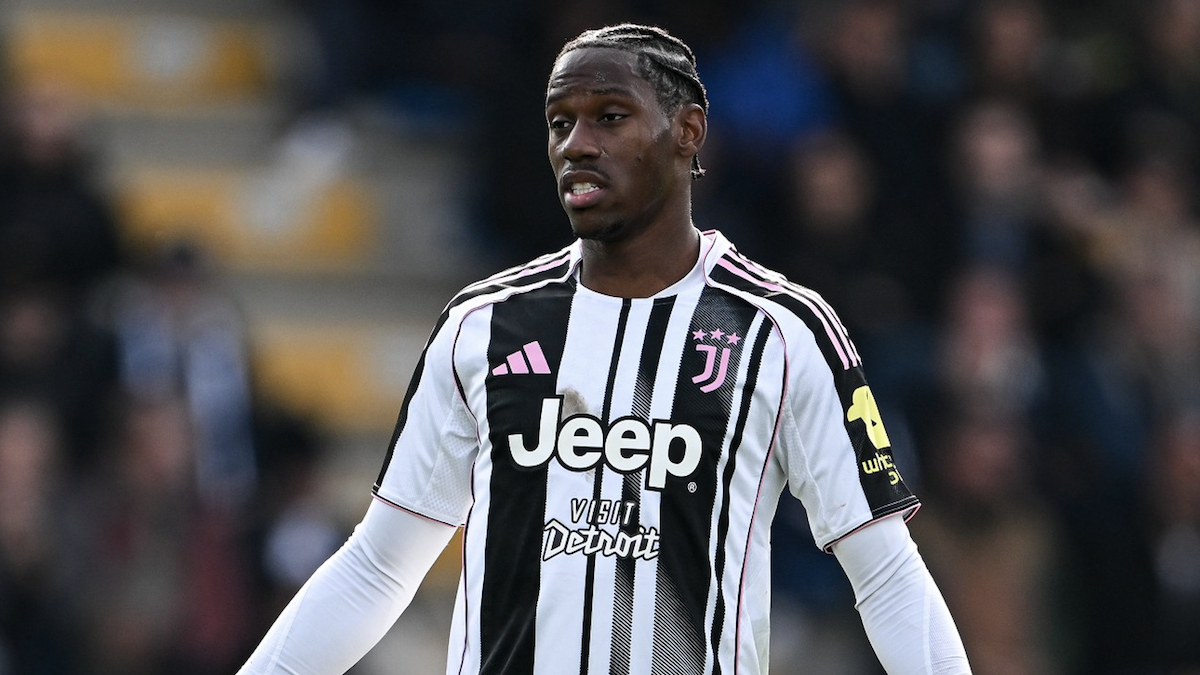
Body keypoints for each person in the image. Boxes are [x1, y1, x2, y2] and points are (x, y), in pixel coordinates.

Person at [238, 23, 972, 675]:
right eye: (560, 122)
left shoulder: (783, 332)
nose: (577, 144)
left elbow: (886, 575)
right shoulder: (484, 326)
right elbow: (377, 567)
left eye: (610, 117)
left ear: (687, 131)